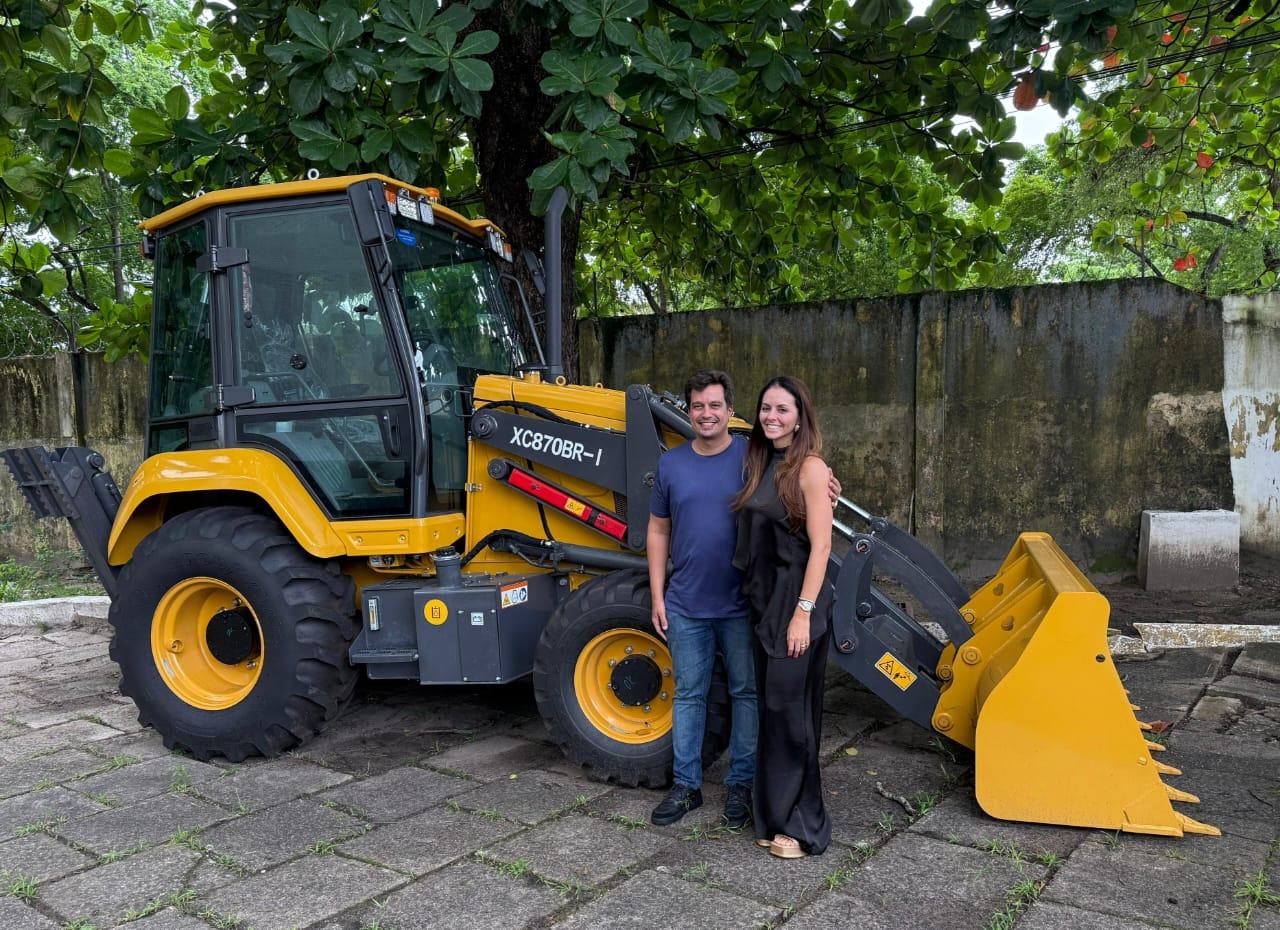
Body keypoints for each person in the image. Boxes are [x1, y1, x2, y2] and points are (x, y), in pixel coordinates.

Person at [647, 370, 757, 829]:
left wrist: (828, 484)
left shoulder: (752, 455)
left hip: (742, 604)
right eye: (697, 406)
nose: (706, 413)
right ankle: (686, 786)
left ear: (730, 411)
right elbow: (658, 530)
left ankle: (741, 785)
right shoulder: (671, 464)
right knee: (689, 694)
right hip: (686, 604)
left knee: (745, 693)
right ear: (688, 411)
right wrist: (658, 595)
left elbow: (800, 476)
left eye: (714, 405)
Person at [732, 375, 834, 859]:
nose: (771, 416)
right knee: (774, 713)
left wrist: (803, 614)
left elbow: (822, 547)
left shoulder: (810, 468)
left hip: (798, 603)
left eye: (782, 410)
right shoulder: (760, 461)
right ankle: (774, 816)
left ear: (799, 418)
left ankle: (804, 825)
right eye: (766, 408)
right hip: (766, 604)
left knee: (794, 716)